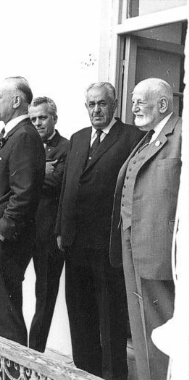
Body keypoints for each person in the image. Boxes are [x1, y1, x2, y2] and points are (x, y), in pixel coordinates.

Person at [55, 82, 144, 380]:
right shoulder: (78, 139)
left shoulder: (133, 138)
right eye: (91, 104)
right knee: (80, 316)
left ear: (114, 104)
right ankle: (83, 373)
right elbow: (67, 186)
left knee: (110, 321)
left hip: (108, 247)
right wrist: (60, 229)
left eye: (102, 103)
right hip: (74, 244)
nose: (96, 109)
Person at [109, 78, 181, 380]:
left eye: (140, 100)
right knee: (140, 327)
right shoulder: (148, 136)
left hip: (159, 250)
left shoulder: (181, 134)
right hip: (133, 246)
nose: (133, 106)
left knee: (162, 329)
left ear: (162, 104)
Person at [0, 77, 45, 345]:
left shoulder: (24, 135)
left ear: (16, 101)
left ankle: (12, 372)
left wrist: (2, 231)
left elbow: (24, 193)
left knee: (6, 316)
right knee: (0, 311)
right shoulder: (11, 133)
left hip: (2, 239)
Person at [27, 96, 70, 352]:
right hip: (20, 231)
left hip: (47, 235)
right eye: (33, 119)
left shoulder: (67, 147)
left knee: (44, 297)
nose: (37, 123)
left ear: (54, 118)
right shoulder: (25, 143)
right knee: (4, 287)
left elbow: (58, 183)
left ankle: (34, 353)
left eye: (42, 117)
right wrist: (42, 169)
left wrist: (27, 172)